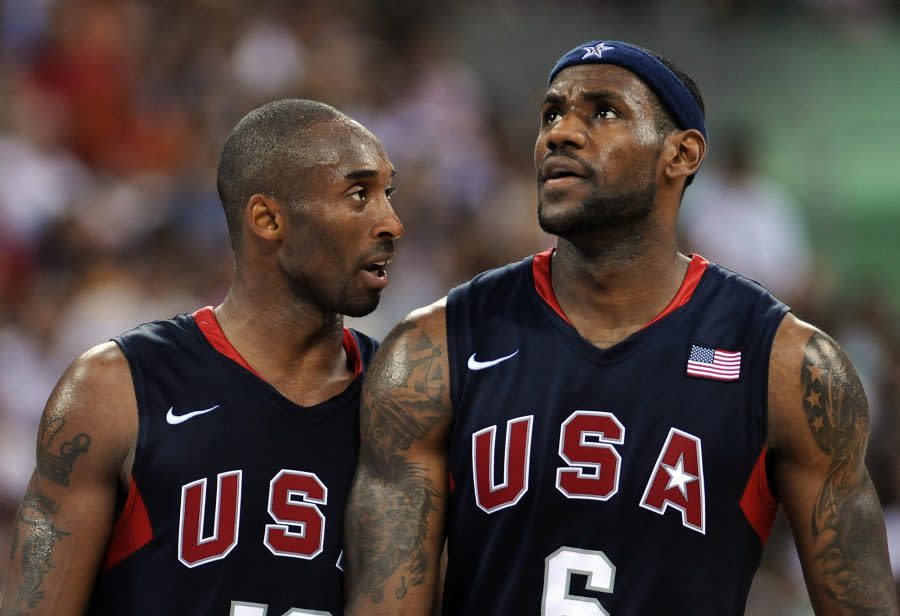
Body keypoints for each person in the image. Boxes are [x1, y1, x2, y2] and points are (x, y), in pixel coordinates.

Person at [343, 41, 898, 615]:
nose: (560, 133)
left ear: (681, 155)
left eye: (604, 112)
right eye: (551, 114)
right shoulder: (434, 350)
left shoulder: (785, 365)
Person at [1, 98, 403, 615]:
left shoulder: (410, 404)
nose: (392, 222)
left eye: (387, 194)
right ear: (267, 218)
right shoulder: (115, 390)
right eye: (358, 194)